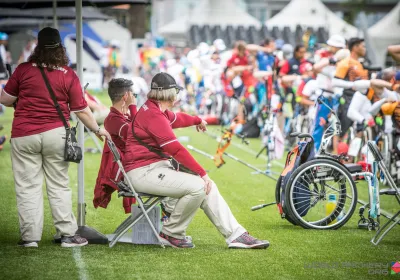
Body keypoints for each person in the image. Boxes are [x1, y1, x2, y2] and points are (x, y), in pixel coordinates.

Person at [124, 72, 269, 249]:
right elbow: (176, 149)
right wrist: (202, 173)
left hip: (150, 169)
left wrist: (197, 120)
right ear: (168, 93)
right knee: (200, 185)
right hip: (144, 172)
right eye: (175, 92)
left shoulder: (153, 108)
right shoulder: (154, 115)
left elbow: (177, 118)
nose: (177, 96)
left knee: (208, 187)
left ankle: (236, 235)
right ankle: (171, 233)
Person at [0, 27, 110, 248]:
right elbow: (82, 110)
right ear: (60, 47)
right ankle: (67, 234)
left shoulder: (22, 70)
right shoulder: (68, 74)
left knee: (27, 187)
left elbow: (5, 99)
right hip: (56, 133)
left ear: (37, 47)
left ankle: (30, 237)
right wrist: (99, 130)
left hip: (24, 134)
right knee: (59, 185)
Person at [94, 78, 137, 213]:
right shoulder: (114, 119)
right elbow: (138, 135)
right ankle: (169, 228)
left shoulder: (124, 117)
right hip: (134, 173)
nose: (135, 98)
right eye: (133, 95)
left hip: (138, 168)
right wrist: (133, 107)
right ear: (126, 97)